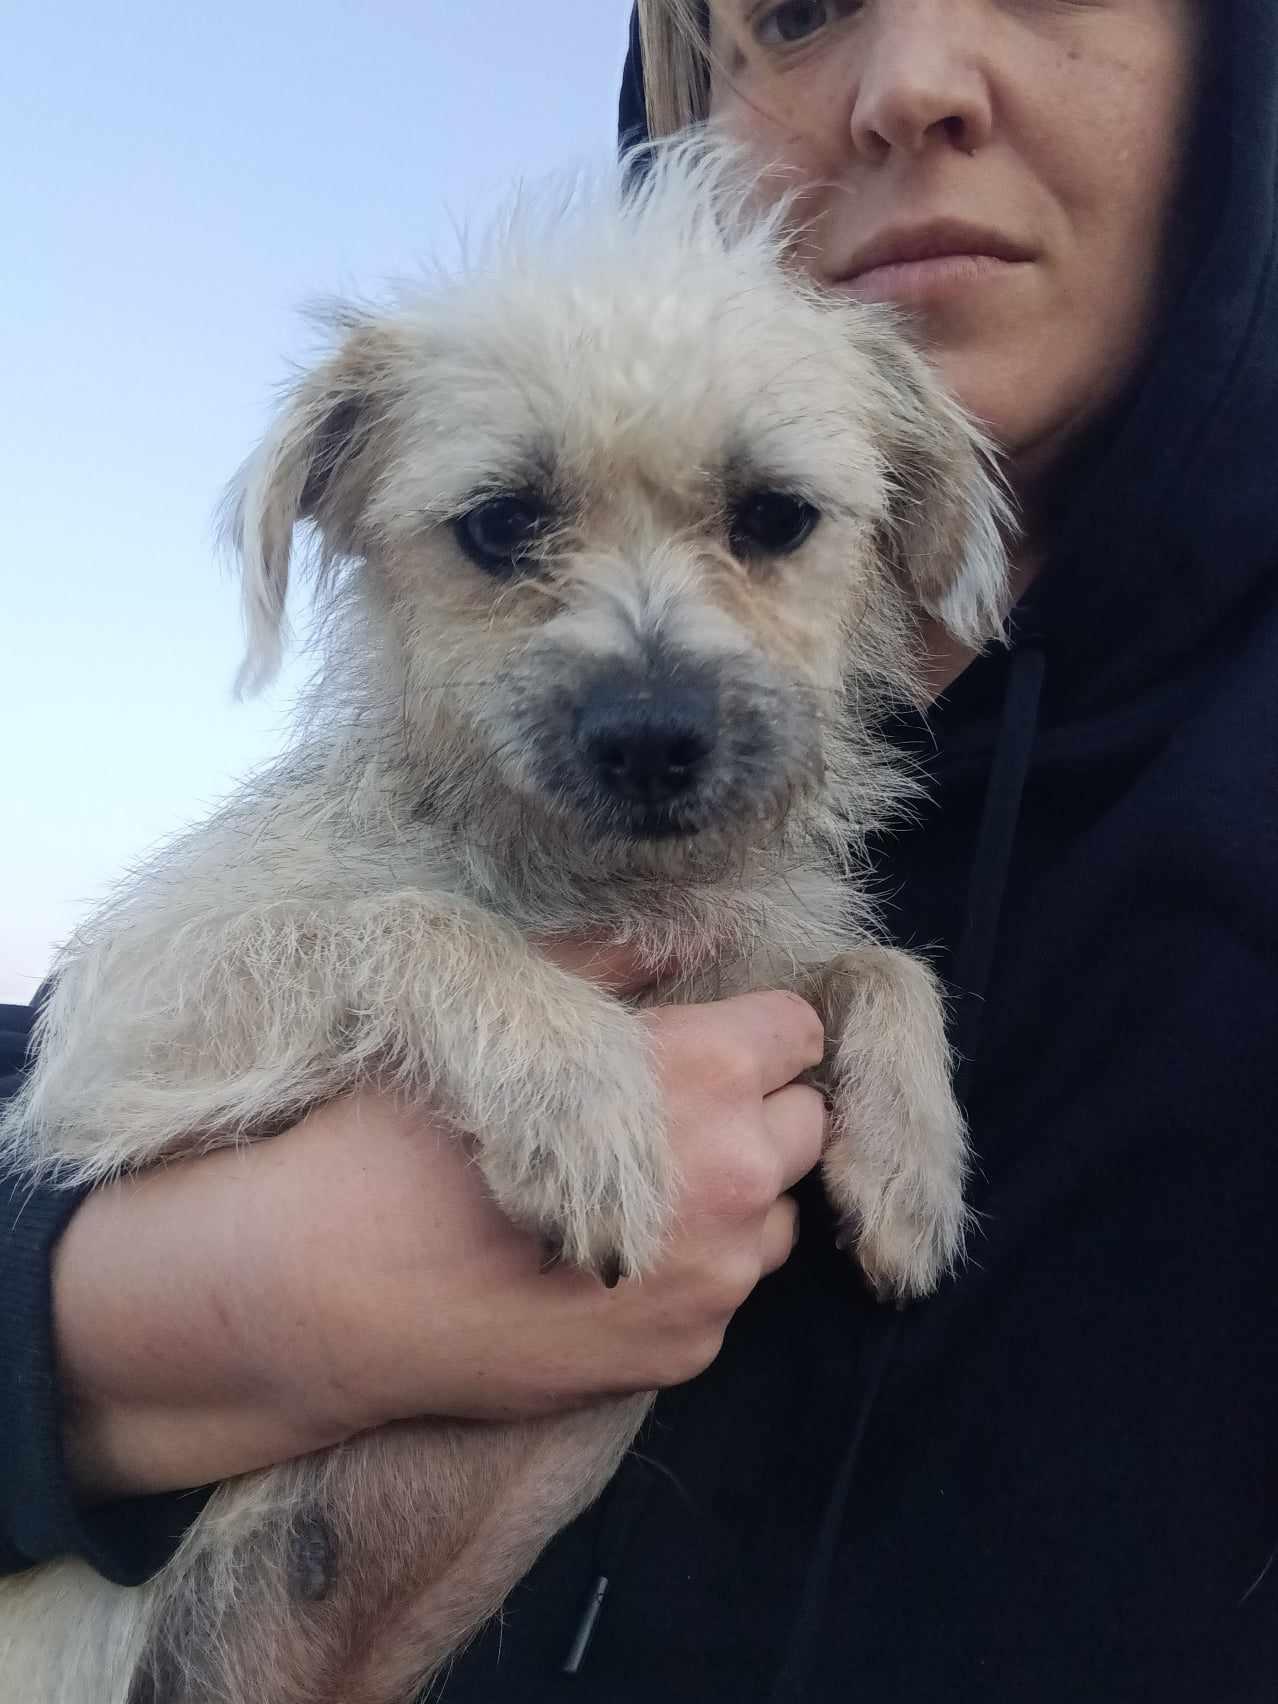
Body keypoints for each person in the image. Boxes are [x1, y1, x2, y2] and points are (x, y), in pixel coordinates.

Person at [4, 0, 1277, 1697]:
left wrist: (874, 999)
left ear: (911, 509)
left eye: (766, 522)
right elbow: (92, 1053)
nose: (652, 683)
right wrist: (121, 1322)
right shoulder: (347, 839)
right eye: (504, 529)